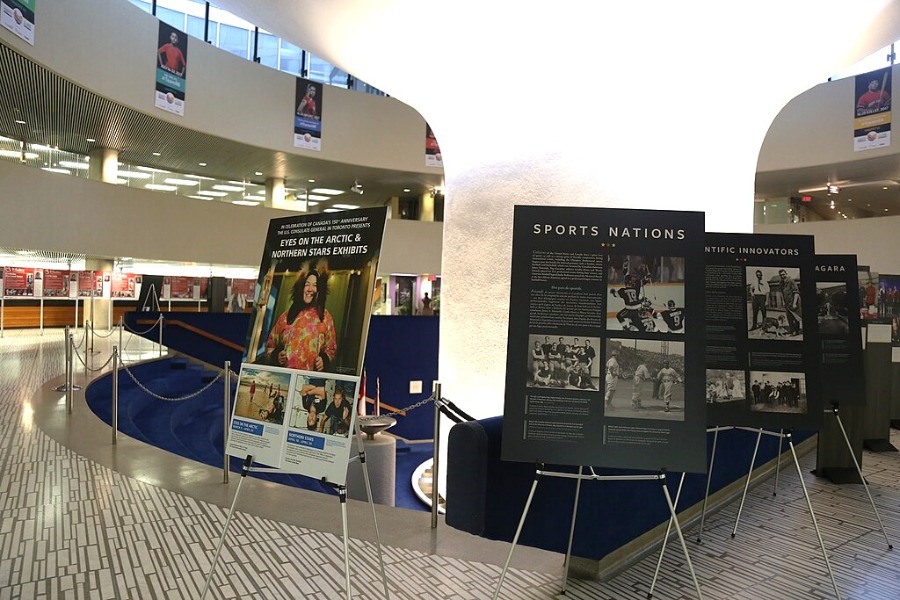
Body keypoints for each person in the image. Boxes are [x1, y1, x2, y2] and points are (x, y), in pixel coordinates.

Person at [265, 266, 337, 371]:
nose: (310, 289)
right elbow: (269, 346)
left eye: (315, 285)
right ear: (301, 288)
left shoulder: (326, 318)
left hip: (309, 378)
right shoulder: (285, 316)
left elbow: (331, 349)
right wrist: (276, 356)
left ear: (320, 290)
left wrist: (324, 360)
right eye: (307, 284)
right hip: (286, 377)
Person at [779, 269, 801, 336]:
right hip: (787, 303)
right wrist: (783, 301)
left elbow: (796, 292)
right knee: (789, 317)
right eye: (781, 275)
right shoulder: (781, 283)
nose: (782, 276)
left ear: (786, 274)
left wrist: (794, 303)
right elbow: (782, 293)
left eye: (783, 274)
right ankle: (791, 330)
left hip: (794, 301)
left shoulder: (791, 281)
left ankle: (796, 331)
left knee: (795, 317)